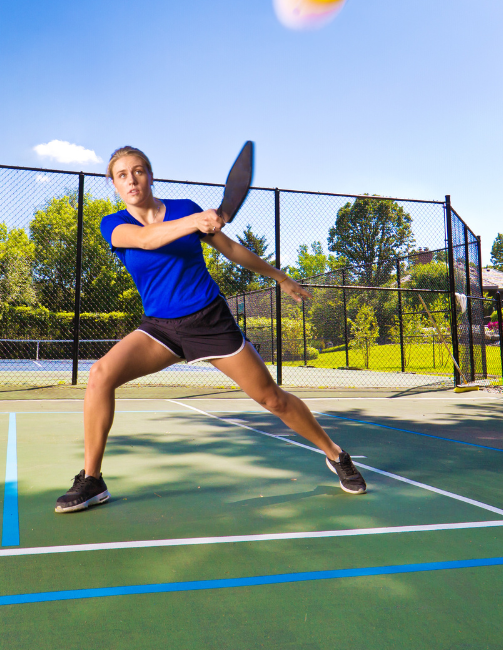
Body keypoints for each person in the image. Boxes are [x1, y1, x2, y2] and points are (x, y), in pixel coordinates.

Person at [56, 145, 366, 513]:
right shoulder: (114, 224)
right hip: (160, 329)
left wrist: (279, 276)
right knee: (100, 375)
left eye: (138, 171)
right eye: (122, 175)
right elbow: (146, 239)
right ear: (114, 184)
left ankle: (335, 454)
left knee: (271, 398)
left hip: (209, 320)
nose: (131, 179)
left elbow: (231, 249)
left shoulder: (185, 208)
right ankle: (92, 479)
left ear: (151, 176)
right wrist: (196, 222)